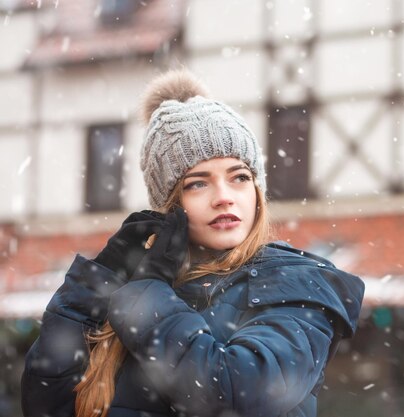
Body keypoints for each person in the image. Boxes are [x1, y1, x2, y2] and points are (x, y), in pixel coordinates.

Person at [21, 70, 365, 417]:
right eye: (198, 184)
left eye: (240, 178)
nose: (224, 198)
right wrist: (101, 281)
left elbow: (234, 394)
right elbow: (47, 404)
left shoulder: (297, 282)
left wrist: (146, 298)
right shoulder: (137, 288)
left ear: (257, 191)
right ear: (169, 205)